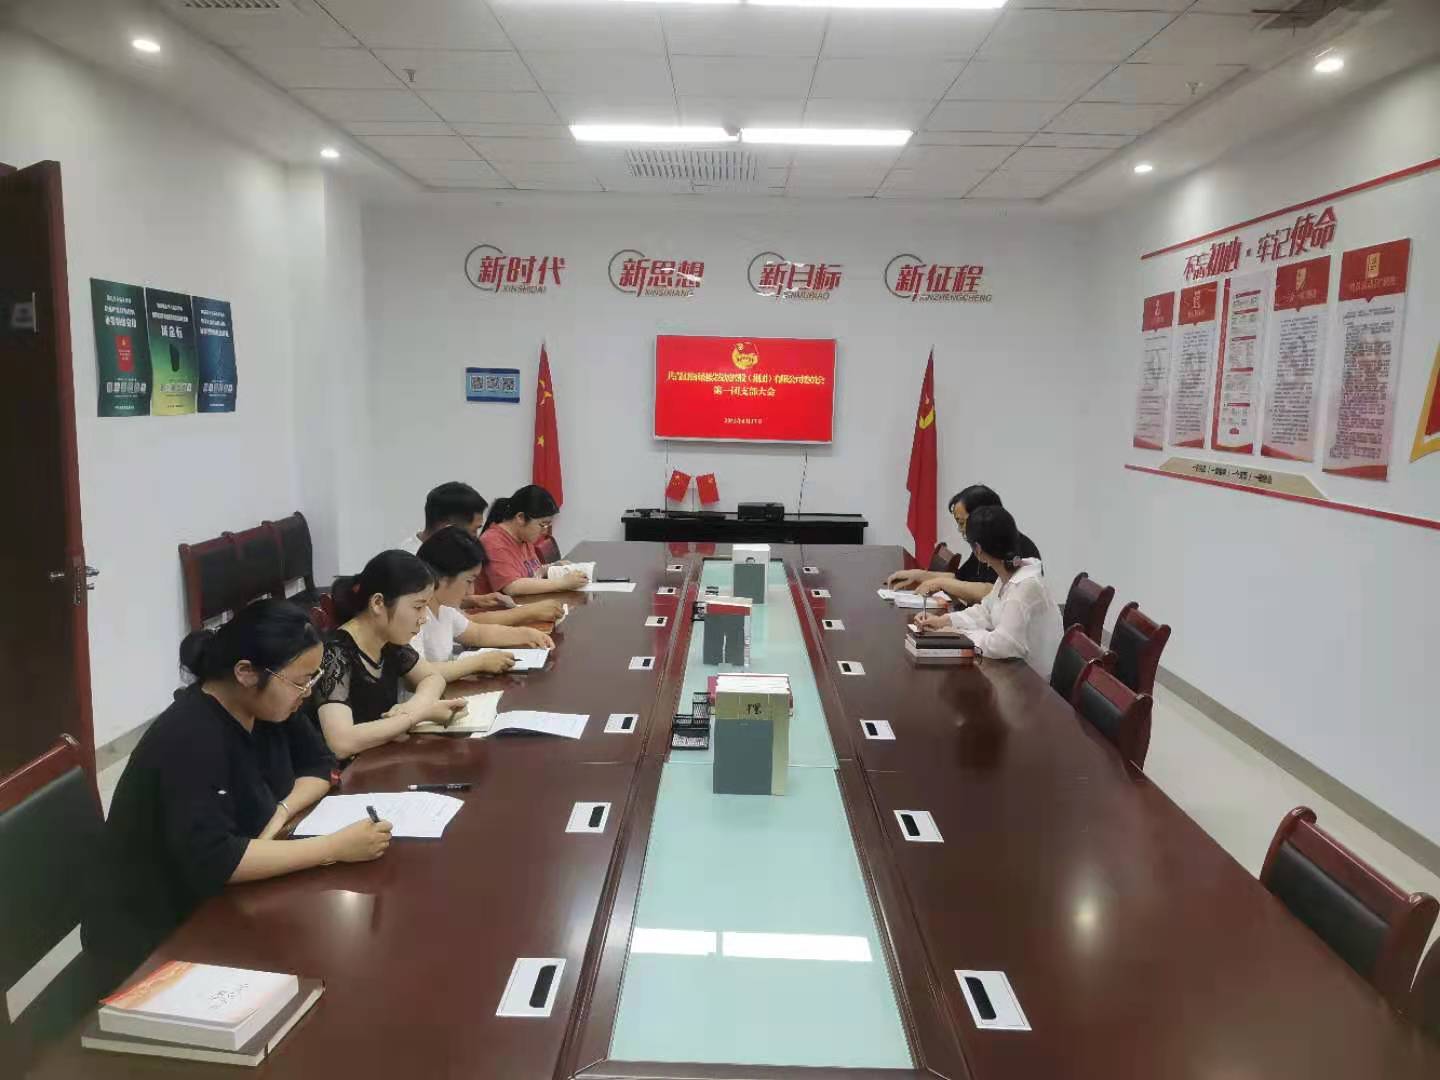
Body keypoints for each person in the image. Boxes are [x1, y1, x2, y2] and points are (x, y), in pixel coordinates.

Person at [84, 600, 392, 990]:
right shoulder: (192, 737)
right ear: (246, 672)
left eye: (312, 679)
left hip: (225, 900)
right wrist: (333, 847)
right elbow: (217, 860)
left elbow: (322, 765)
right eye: (300, 681)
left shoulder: (268, 706)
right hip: (159, 936)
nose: (306, 692)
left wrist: (281, 811)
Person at [313, 550, 467, 758]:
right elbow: (341, 742)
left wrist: (416, 704)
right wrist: (417, 715)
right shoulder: (335, 654)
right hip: (349, 772)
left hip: (382, 758)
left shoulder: (389, 642)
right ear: (378, 603)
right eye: (418, 607)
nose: (424, 618)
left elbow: (432, 677)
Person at [914, 506, 1062, 679]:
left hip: (1032, 683)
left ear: (978, 549)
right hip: (1013, 671)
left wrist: (960, 635)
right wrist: (944, 621)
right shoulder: (1008, 575)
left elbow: (1004, 645)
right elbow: (985, 611)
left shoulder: (1024, 587)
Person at [413, 526, 555, 679]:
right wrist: (478, 663)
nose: (471, 591)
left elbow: (478, 633)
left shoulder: (444, 608)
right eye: (469, 581)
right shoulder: (414, 615)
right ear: (441, 578)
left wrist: (526, 634)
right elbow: (419, 674)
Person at [886, 484, 1041, 606]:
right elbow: (961, 578)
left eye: (962, 522)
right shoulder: (982, 544)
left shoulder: (1016, 547)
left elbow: (991, 592)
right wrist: (920, 575)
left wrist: (940, 583)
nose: (961, 530)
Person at [480, 485, 588, 595]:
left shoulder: (524, 538)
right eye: (542, 525)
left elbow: (534, 573)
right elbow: (512, 587)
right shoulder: (493, 541)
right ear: (521, 518)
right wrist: (562, 583)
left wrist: (551, 568)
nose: (545, 532)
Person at [397, 480, 488, 554]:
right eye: (474, 530)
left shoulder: (452, 554)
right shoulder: (412, 563)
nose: (476, 538)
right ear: (448, 527)